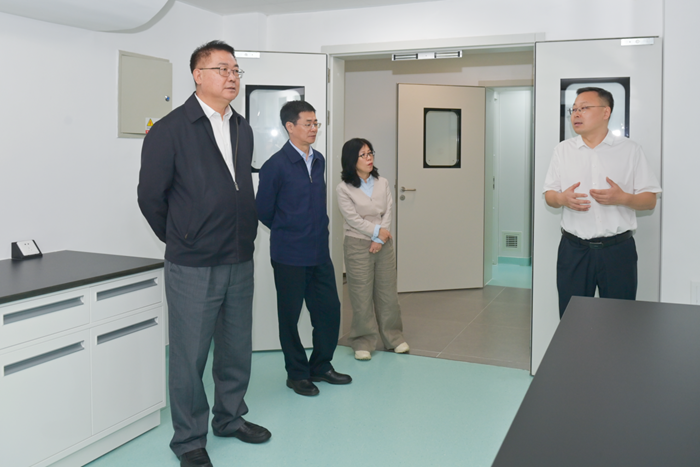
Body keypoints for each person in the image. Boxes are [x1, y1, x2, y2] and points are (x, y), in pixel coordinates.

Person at [138, 40, 270, 467]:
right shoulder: (171, 129)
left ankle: (230, 418)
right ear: (198, 75)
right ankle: (189, 440)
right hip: (193, 264)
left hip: (239, 257)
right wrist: (183, 236)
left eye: (235, 70)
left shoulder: (242, 127)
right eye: (222, 69)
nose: (232, 77)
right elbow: (150, 196)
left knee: (236, 349)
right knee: (189, 357)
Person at [256, 100, 351, 397]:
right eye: (308, 124)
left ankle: (320, 366)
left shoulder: (318, 159)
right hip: (289, 255)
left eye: (315, 123)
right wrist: (290, 230)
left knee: (329, 311)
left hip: (319, 252)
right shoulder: (275, 166)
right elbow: (263, 210)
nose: (313, 129)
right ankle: (297, 373)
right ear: (290, 127)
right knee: (290, 317)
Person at [543, 87, 661, 318]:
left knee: (620, 320)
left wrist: (622, 198)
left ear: (606, 112)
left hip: (618, 251)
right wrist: (561, 198)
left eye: (584, 108)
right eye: (573, 109)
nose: (576, 114)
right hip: (574, 250)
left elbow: (650, 201)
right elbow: (549, 196)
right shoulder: (562, 151)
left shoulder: (630, 150)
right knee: (572, 320)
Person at [336, 138, 409, 360]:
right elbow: (353, 219)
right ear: (352, 160)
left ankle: (394, 337)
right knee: (361, 295)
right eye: (363, 155)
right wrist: (377, 232)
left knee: (388, 293)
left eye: (370, 153)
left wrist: (380, 238)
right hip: (357, 244)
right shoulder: (343, 188)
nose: (369, 158)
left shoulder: (382, 182)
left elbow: (388, 211)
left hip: (383, 244)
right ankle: (363, 341)